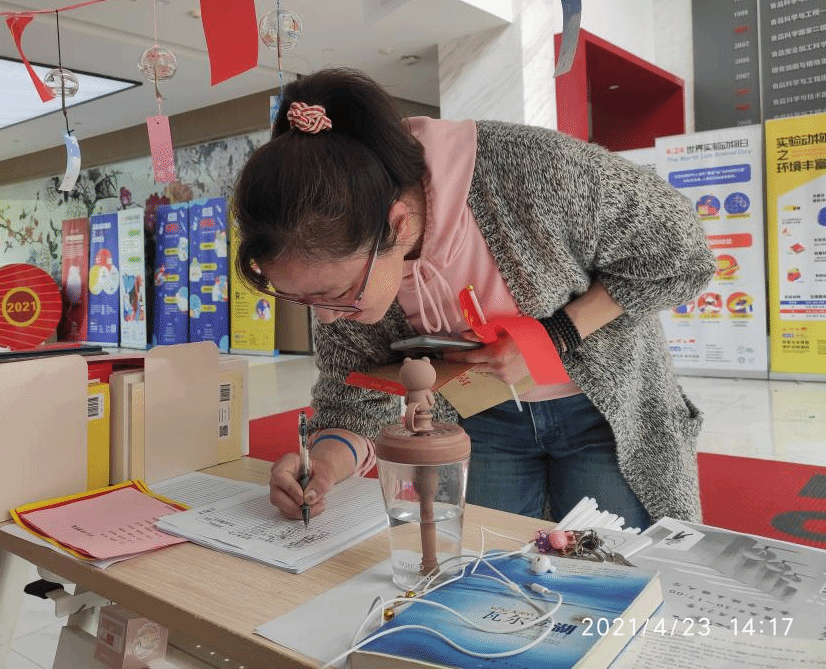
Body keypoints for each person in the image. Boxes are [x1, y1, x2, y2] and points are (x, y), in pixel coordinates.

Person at [232, 67, 715, 531]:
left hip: (604, 412)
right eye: (301, 300)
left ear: (397, 224)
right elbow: (354, 398)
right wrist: (323, 463)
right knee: (486, 566)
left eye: (336, 295)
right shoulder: (337, 265)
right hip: (477, 420)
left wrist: (554, 336)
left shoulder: (531, 170)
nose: (327, 318)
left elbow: (679, 249)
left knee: (616, 563)